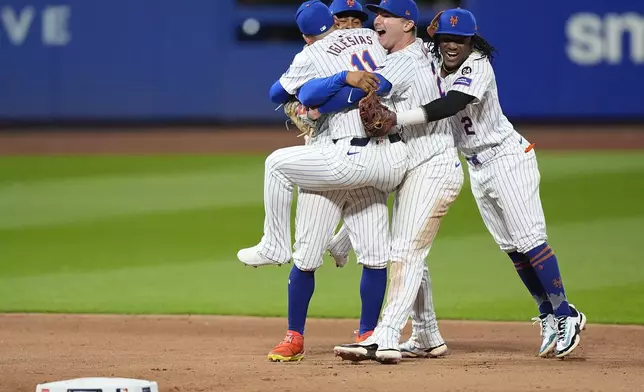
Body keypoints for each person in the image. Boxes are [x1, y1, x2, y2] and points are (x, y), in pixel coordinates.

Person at [363, 8, 588, 359]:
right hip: (478, 167)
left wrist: (396, 119)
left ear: (472, 40)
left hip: (507, 158)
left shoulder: (478, 65)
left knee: (530, 240)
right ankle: (547, 313)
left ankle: (565, 313)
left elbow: (451, 105)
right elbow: (406, 49)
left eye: (461, 39)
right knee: (512, 248)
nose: (453, 45)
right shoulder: (432, 56)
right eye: (447, 39)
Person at [237, 0, 408, 362]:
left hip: (340, 157)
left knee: (280, 173)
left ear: (304, 34)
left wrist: (326, 92)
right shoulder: (371, 38)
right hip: (381, 158)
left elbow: (280, 95)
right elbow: (384, 81)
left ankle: (293, 317)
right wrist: (345, 90)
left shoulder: (309, 54)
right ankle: (361, 332)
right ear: (333, 21)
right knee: (375, 259)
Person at [297, 0, 462, 364]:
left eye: (386, 16)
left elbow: (365, 91)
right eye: (377, 14)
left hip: (431, 166)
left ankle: (383, 336)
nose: (377, 21)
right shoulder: (422, 50)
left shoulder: (402, 61)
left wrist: (317, 105)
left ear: (407, 24)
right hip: (418, 165)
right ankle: (427, 334)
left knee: (404, 253)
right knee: (412, 254)